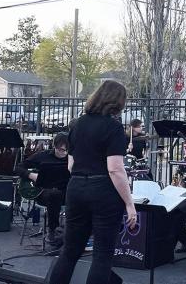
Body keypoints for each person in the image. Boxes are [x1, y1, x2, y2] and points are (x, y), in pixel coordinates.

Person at [49, 80, 136, 284]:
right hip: (103, 191)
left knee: (70, 251)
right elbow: (115, 169)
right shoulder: (113, 128)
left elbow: (70, 165)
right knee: (102, 254)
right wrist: (129, 203)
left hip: (76, 188)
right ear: (117, 102)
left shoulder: (78, 124)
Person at [14, 132, 70, 246]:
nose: (62, 152)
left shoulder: (72, 158)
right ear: (54, 146)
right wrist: (31, 175)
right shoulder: (43, 156)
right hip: (43, 192)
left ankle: (73, 231)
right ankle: (52, 231)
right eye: (60, 149)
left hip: (66, 193)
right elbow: (18, 167)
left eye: (65, 150)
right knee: (54, 195)